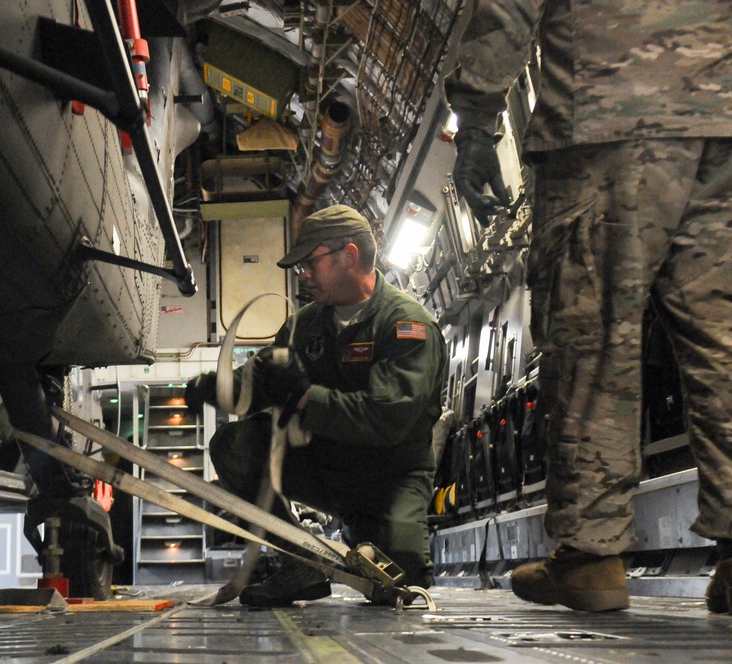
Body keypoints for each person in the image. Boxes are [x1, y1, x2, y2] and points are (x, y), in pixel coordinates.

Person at [445, 0, 732, 612]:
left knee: (595, 343)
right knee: (725, 345)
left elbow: (508, 8)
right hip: (724, 122)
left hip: (609, 118)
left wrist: (475, 121)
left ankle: (591, 556)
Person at [187, 205, 448, 607]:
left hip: (388, 478)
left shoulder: (405, 326)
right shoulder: (303, 326)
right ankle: (301, 562)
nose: (303, 275)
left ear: (349, 255)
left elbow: (387, 420)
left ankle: (373, 533)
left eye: (310, 263)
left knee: (397, 582)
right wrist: (215, 388)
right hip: (325, 467)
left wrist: (308, 397)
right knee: (233, 445)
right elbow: (257, 381)